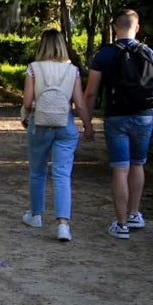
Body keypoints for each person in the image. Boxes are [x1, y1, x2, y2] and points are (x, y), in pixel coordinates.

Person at [83, 9, 153, 240]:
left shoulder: (104, 55)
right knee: (138, 164)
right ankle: (134, 213)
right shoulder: (149, 53)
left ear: (114, 27)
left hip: (116, 116)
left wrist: (88, 123)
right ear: (137, 28)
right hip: (144, 116)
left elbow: (90, 93)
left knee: (120, 168)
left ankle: (121, 225)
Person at [20, 30, 94, 242]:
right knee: (62, 174)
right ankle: (63, 224)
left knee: (37, 171)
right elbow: (79, 103)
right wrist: (88, 126)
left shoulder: (33, 69)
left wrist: (29, 114)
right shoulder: (73, 71)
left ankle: (36, 215)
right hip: (65, 125)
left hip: (40, 124)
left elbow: (27, 102)